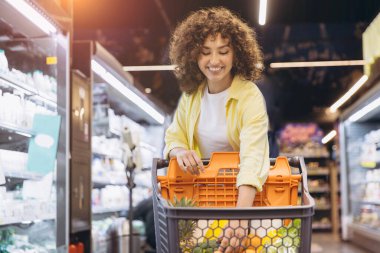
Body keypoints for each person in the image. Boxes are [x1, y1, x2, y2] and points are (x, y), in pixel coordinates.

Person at [164, 7, 270, 253]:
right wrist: (179, 151)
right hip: (201, 197)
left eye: (223, 51)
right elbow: (173, 137)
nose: (214, 61)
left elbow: (253, 158)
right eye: (205, 52)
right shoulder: (191, 97)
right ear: (193, 55)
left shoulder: (249, 96)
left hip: (240, 196)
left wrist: (240, 219)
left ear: (236, 54)